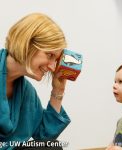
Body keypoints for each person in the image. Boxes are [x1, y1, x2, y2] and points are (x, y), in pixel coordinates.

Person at [0, 13, 71, 150]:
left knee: (52, 147)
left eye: (55, 60)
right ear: (26, 43)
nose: (52, 67)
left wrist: (58, 90)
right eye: (50, 55)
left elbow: (45, 137)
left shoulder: (26, 92)